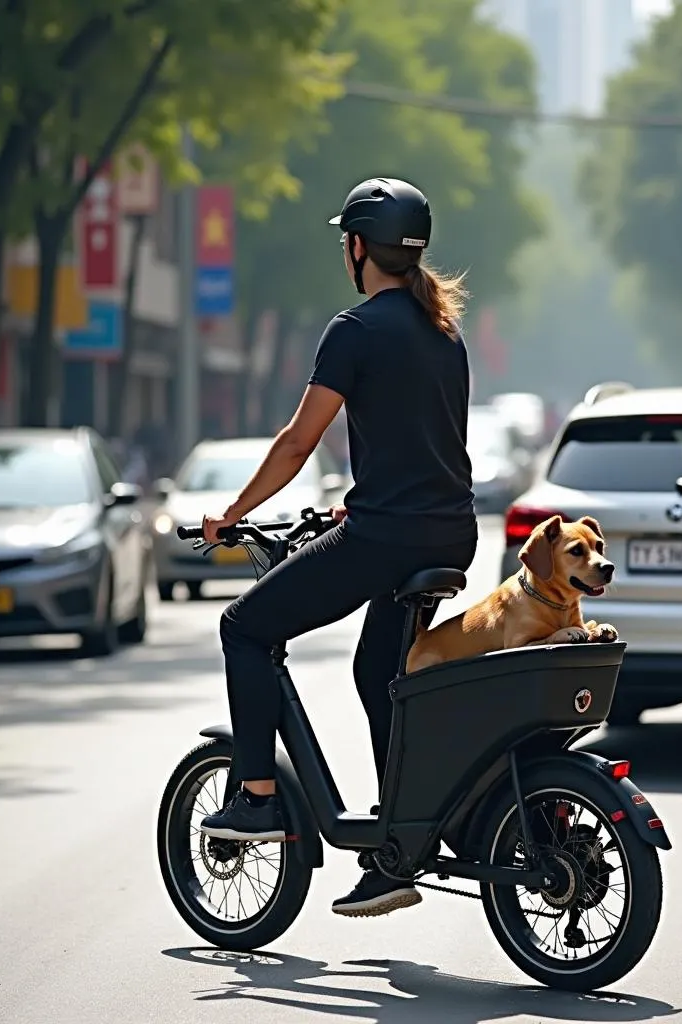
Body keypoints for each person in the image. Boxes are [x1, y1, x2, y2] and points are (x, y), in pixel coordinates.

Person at [198, 177, 478, 918]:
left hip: (387, 537)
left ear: (358, 247)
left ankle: (258, 799)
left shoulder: (354, 329)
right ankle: (398, 846)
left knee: (244, 628)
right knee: (378, 671)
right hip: (449, 531)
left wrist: (231, 513)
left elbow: (296, 443)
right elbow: (425, 444)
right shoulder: (444, 330)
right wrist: (346, 506)